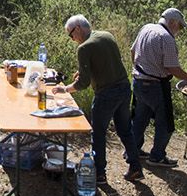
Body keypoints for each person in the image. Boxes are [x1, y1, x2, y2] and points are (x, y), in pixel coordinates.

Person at [55, 15, 138, 186]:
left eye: (71, 35)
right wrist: (86, 74)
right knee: (125, 130)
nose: (72, 39)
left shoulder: (84, 48)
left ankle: (100, 174)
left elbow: (83, 83)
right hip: (124, 88)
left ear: (77, 28)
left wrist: (65, 89)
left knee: (98, 133)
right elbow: (106, 64)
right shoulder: (106, 35)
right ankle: (135, 166)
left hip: (106, 93)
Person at [129, 7, 187, 177]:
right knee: (165, 123)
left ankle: (133, 151)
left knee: (139, 119)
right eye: (180, 26)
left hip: (138, 82)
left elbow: (132, 51)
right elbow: (172, 68)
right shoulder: (166, 38)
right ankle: (157, 156)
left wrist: (141, 70)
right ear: (172, 22)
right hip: (156, 85)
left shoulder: (146, 28)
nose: (180, 30)